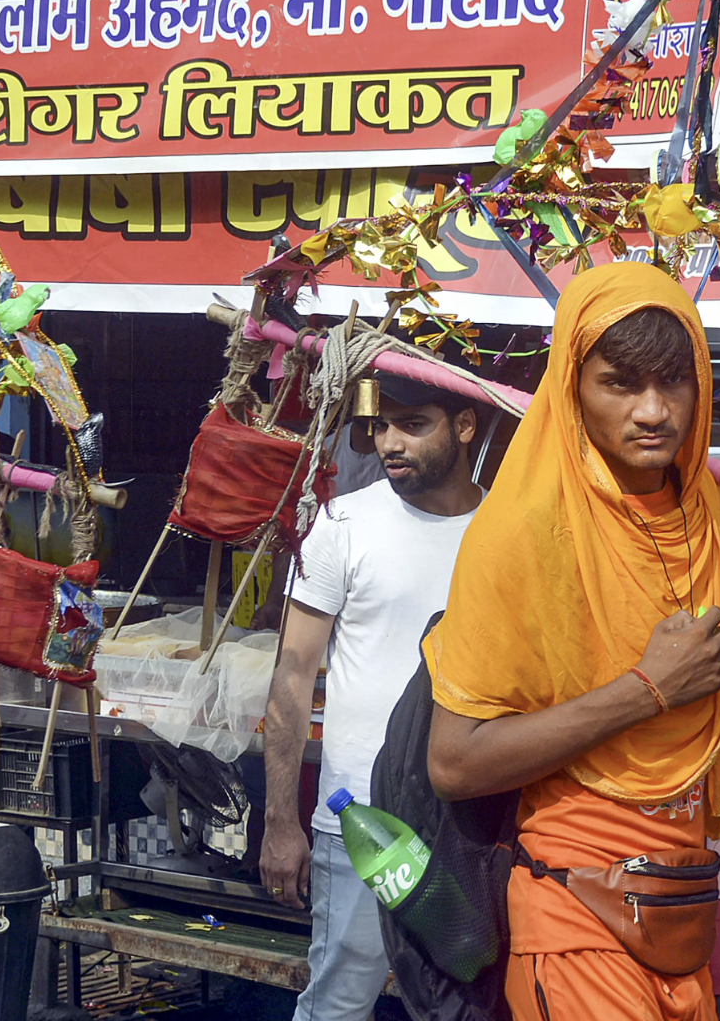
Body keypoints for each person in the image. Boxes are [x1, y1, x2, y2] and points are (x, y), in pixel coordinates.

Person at [425, 262, 720, 1021]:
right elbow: (455, 763)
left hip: (682, 904)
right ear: (573, 388)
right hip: (574, 911)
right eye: (620, 383)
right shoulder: (521, 532)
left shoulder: (709, 517)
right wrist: (646, 690)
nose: (653, 411)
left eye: (675, 382)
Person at [260, 374, 483, 1021]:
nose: (389, 441)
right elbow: (293, 673)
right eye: (381, 426)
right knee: (339, 1002)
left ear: (464, 426)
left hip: (470, 824)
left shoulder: (505, 530)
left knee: (471, 1001)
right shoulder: (341, 524)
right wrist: (280, 820)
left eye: (413, 424)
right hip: (361, 824)